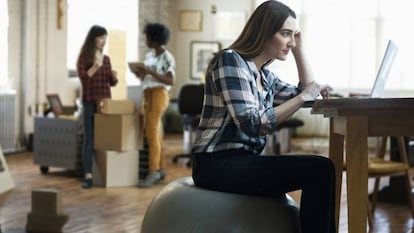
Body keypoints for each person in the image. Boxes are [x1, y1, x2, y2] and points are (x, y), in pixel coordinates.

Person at [191, 1, 336, 233]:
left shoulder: (264, 77)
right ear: (264, 32)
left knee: (324, 167)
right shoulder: (230, 60)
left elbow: (306, 94)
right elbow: (251, 124)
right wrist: (303, 96)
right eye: (285, 34)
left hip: (242, 160)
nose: (290, 41)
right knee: (319, 170)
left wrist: (299, 48)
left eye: (293, 35)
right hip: (214, 164)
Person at [131, 23, 175, 188]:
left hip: (159, 94)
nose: (146, 40)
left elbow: (170, 80)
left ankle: (153, 170)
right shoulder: (149, 56)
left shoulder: (167, 57)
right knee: (156, 133)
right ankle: (160, 169)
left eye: (148, 37)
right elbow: (146, 78)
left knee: (151, 133)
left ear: (156, 39)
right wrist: (141, 73)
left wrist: (151, 73)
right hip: (148, 94)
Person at [77, 25, 118, 189]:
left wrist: (114, 77)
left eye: (105, 39)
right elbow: (84, 80)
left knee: (104, 139)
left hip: (104, 104)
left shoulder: (106, 58)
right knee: (89, 140)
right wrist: (95, 66)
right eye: (101, 38)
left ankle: (107, 174)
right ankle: (88, 175)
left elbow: (111, 83)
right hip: (89, 102)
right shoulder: (84, 57)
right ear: (93, 39)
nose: (103, 42)